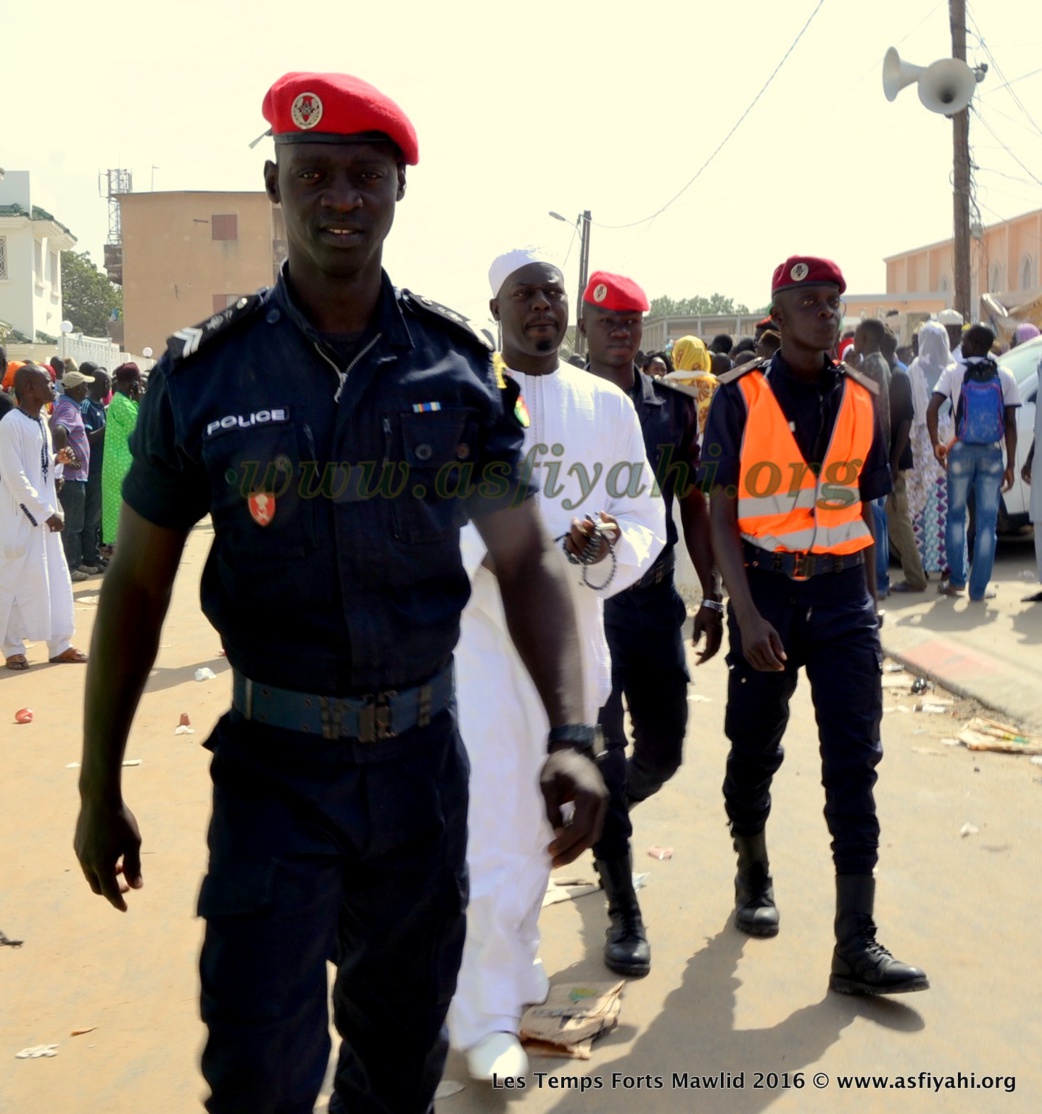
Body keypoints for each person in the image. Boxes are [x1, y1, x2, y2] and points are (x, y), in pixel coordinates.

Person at [73, 73, 606, 1114]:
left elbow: (526, 559)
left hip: (416, 772)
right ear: (275, 184)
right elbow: (136, 585)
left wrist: (573, 727)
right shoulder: (206, 377)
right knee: (258, 1076)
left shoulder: (455, 375)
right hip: (275, 775)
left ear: (398, 189)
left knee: (399, 1063)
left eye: (365, 176)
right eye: (312, 176)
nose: (340, 200)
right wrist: (98, 783)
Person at [447, 253, 663, 1080]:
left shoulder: (604, 403)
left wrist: (606, 542)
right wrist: (503, 553)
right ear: (494, 306)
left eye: (552, 294)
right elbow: (441, 511)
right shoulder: (466, 393)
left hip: (576, 646)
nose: (542, 307)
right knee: (493, 822)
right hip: (484, 647)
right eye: (523, 295)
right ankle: (488, 1009)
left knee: (545, 826)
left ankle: (510, 984)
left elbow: (645, 514)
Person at [702, 254, 928, 996]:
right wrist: (744, 608)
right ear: (777, 313)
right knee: (754, 748)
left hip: (841, 603)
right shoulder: (739, 398)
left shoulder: (866, 397)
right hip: (765, 593)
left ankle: (855, 943)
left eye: (832, 301)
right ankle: (753, 868)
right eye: (809, 301)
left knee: (854, 763)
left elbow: (863, 507)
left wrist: (869, 609)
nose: (826, 312)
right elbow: (722, 513)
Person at [580, 270, 722, 978]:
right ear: (585, 326)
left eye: (632, 322)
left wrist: (715, 593)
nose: (622, 332)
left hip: (652, 603)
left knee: (663, 752)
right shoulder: (558, 403)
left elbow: (692, 502)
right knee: (605, 756)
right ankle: (622, 908)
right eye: (608, 321)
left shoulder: (669, 407)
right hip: (585, 612)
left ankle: (600, 816)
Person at [1, 365, 87, 669]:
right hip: (19, 517)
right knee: (13, 582)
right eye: (47, 382)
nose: (54, 386)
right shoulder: (10, 424)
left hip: (45, 514)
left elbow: (39, 469)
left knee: (55, 578)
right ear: (28, 387)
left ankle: (60, 644)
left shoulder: (41, 421)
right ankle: (13, 649)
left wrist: (57, 462)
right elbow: (14, 477)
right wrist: (45, 513)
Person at [927, 324, 1020, 601]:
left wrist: (935, 443)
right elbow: (1012, 424)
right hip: (992, 452)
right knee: (986, 522)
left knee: (956, 516)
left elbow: (933, 408)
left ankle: (957, 582)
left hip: (961, 451)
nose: (962, 345)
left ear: (975, 343)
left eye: (966, 341)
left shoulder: (954, 372)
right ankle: (979, 590)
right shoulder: (1005, 374)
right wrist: (1011, 464)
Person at [880, 329, 927, 593]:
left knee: (899, 520)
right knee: (894, 520)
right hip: (890, 458)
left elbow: (906, 418)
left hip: (895, 460)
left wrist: (895, 459)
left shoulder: (897, 376)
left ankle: (915, 577)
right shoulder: (890, 372)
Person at [906, 322, 954, 576]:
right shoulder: (952, 369)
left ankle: (923, 565)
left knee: (920, 502)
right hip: (948, 438)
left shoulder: (915, 369)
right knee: (945, 502)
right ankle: (949, 565)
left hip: (924, 439)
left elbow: (915, 411)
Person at [850, 319, 892, 599]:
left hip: (868, 449)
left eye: (855, 337)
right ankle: (882, 578)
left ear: (863, 338)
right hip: (878, 446)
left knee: (872, 519)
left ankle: (877, 580)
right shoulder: (882, 363)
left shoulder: (870, 365)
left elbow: (862, 406)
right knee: (879, 519)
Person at [50, 367, 97, 580]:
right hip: (71, 477)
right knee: (71, 526)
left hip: (76, 476)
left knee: (75, 523)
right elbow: (59, 431)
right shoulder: (68, 409)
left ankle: (75, 563)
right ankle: (69, 567)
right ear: (76, 389)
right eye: (84, 386)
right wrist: (69, 459)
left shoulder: (71, 406)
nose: (87, 389)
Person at [100, 362, 142, 547]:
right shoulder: (122, 404)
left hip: (118, 464)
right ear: (133, 382)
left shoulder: (122, 401)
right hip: (122, 466)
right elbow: (142, 428)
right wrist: (141, 399)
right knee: (128, 512)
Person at [80, 367, 110, 572]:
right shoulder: (87, 407)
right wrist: (109, 429)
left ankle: (96, 555)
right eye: (105, 382)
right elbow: (87, 439)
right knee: (90, 516)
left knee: (97, 516)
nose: (108, 386)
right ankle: (89, 558)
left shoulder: (101, 407)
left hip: (103, 468)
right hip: (91, 470)